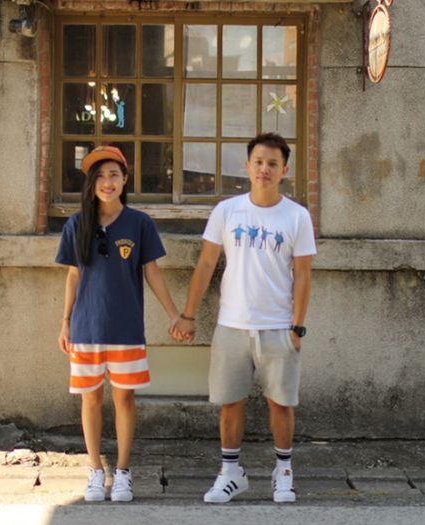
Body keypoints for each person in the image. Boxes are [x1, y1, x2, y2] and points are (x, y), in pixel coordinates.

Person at [172, 132, 315, 504]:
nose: (264, 169)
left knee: (280, 403)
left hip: (278, 326)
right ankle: (231, 473)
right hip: (232, 325)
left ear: (284, 170)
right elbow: (206, 263)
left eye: (272, 163)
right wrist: (188, 314)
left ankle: (284, 472)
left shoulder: (297, 216)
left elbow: (303, 275)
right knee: (230, 402)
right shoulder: (227, 211)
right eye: (258, 162)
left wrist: (297, 326)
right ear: (247, 166)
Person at [56, 145, 180, 502]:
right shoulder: (76, 224)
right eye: (99, 176)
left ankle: (123, 472)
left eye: (113, 174)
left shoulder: (139, 223)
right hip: (86, 329)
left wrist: (174, 314)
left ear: (125, 179)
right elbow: (73, 276)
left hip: (126, 329)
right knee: (90, 400)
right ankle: (96, 470)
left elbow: (152, 272)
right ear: (90, 183)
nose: (106, 182)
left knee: (124, 399)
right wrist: (65, 322)